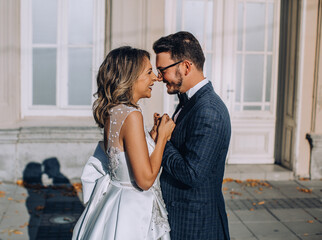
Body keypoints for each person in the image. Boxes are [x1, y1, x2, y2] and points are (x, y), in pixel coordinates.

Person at [72, 46, 175, 240]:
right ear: (131, 77)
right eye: (149, 72)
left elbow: (126, 154)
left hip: (115, 201)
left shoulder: (115, 111)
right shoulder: (132, 115)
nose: (155, 78)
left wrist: (150, 139)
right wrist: (162, 138)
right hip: (134, 212)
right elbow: (144, 181)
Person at [153, 31, 231, 239]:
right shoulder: (189, 101)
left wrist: (162, 140)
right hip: (183, 217)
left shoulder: (209, 110)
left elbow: (192, 174)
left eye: (162, 70)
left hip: (196, 225)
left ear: (186, 66)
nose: (159, 77)